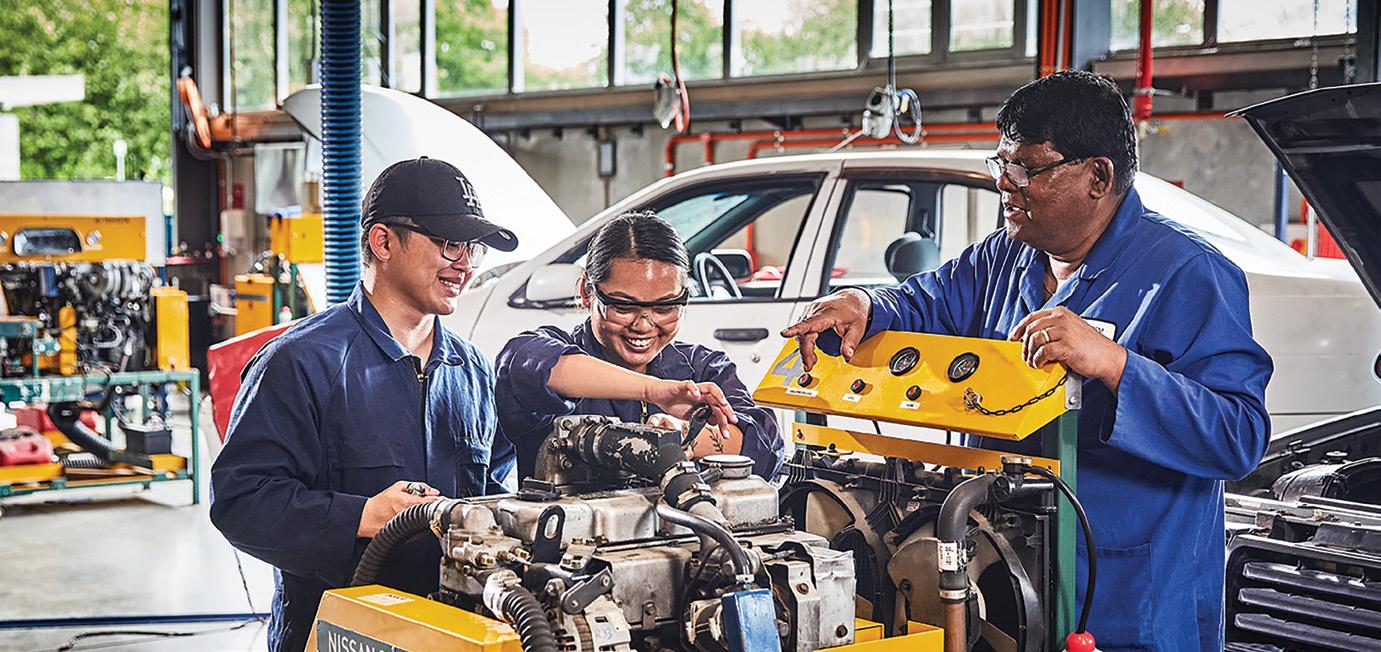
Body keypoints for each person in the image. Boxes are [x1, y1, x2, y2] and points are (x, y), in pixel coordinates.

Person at [781, 71, 1272, 651]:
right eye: (1001, 165)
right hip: (1003, 577)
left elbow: (1237, 436)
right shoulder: (1005, 256)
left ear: (1098, 176)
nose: (1005, 185)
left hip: (1126, 593)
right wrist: (863, 304)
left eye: (1027, 169)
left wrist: (1114, 364)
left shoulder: (1188, 273)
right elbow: (922, 301)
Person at [210, 157, 519, 652]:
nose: (464, 264)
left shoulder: (474, 371)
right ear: (383, 242)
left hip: (452, 633)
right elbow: (240, 502)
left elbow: (495, 496)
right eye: (449, 243)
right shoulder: (299, 363)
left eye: (473, 248)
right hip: (335, 636)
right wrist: (366, 515)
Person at [491, 211, 784, 486]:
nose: (643, 325)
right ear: (587, 292)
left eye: (664, 307)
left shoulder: (703, 369)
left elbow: (764, 446)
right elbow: (525, 365)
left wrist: (682, 435)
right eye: (624, 306)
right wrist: (653, 390)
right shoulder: (550, 352)